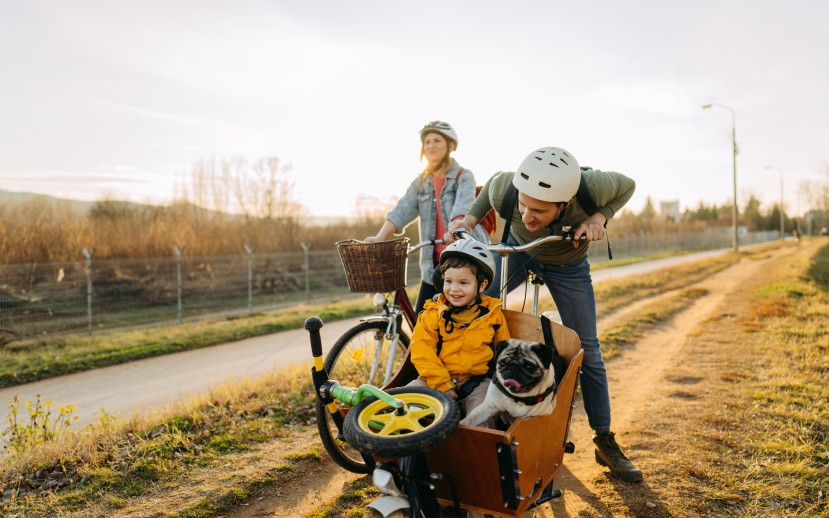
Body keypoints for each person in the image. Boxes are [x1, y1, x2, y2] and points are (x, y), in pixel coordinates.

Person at [446, 146, 643, 483]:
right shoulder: (506, 186)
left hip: (568, 264)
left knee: (589, 351)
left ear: (565, 204)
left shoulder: (593, 187)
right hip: (519, 253)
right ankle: (461, 398)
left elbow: (629, 185)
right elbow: (493, 184)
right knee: (474, 314)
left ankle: (604, 439)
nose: (526, 214)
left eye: (538, 210)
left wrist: (599, 218)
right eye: (522, 204)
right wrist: (470, 219)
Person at [366, 121, 489, 315]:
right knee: (421, 323)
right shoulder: (421, 182)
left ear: (450, 146)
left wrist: (455, 230)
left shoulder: (464, 176)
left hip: (461, 261)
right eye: (427, 141)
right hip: (432, 266)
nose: (430, 145)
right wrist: (380, 237)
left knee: (455, 323)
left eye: (437, 140)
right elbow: (402, 209)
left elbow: (463, 208)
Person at [407, 239, 510, 421]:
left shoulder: (493, 315)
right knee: (406, 402)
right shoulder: (431, 314)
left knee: (483, 415)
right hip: (435, 379)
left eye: (463, 283)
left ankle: (476, 447)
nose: (454, 289)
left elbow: (505, 351)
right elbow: (422, 352)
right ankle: (407, 446)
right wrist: (442, 383)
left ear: (482, 285)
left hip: (478, 383)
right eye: (448, 281)